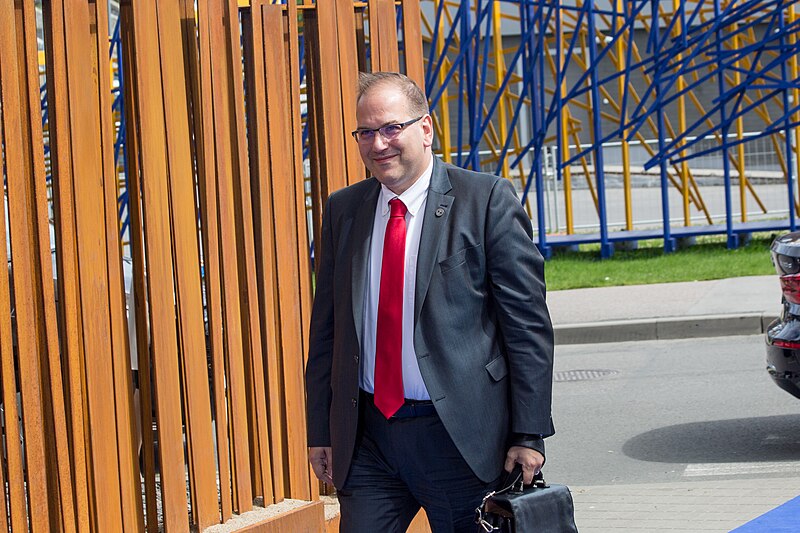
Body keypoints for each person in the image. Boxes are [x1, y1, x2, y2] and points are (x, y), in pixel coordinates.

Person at [305, 71, 554, 532]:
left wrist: (528, 433)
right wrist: (321, 429)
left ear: (426, 127)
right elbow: (328, 330)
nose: (378, 144)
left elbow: (527, 328)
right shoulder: (344, 210)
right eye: (366, 132)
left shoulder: (485, 200)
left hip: (462, 440)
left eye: (391, 128)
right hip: (368, 440)